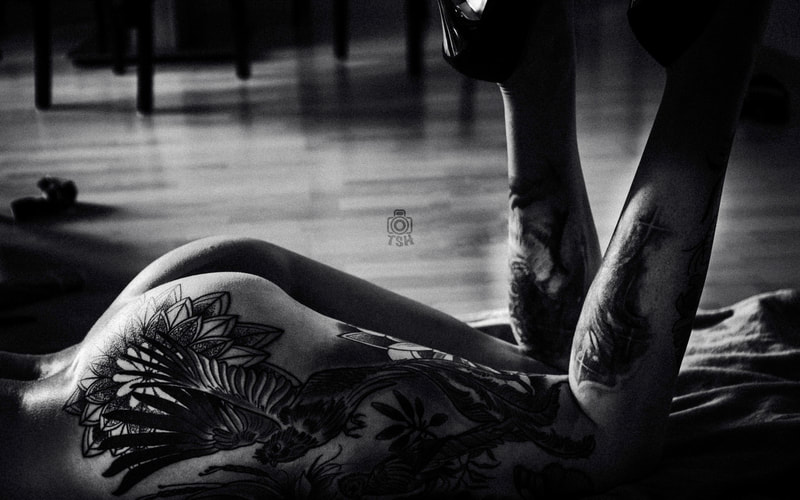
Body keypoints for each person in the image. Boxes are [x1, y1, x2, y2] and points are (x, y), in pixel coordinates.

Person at [0, 0, 773, 498]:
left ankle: (714, 37)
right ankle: (523, 47)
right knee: (537, 374)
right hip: (119, 332)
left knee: (592, 436)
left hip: (124, 412)